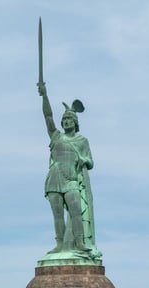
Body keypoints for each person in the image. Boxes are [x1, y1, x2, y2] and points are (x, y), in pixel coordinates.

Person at [37, 82, 96, 257]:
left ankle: (79, 242)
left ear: (75, 122)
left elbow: (91, 161)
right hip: (55, 177)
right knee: (57, 214)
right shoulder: (56, 136)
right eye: (64, 119)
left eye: (70, 119)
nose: (66, 121)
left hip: (71, 179)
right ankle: (60, 245)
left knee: (75, 209)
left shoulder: (82, 141)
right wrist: (44, 95)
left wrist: (83, 159)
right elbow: (47, 116)